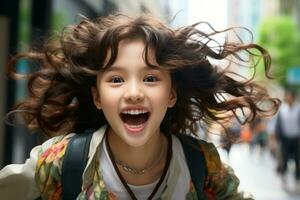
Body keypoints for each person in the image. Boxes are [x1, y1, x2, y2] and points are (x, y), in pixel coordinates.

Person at [0, 13, 280, 199]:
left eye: (150, 78)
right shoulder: (60, 162)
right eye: (117, 79)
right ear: (97, 97)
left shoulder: (203, 165)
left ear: (171, 94)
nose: (133, 92)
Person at [275, 89, 300, 185]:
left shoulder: (298, 109)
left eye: (289, 97)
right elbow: (278, 124)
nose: (287, 99)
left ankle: (297, 179)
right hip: (285, 139)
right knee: (284, 158)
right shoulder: (282, 109)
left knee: (297, 159)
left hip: (297, 138)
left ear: (293, 98)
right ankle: (283, 176)